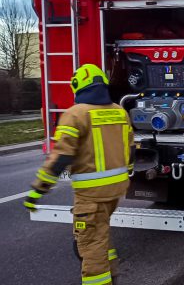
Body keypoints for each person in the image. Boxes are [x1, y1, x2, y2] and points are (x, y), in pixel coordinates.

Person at [24, 64, 134, 285]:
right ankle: (113, 278)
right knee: (101, 238)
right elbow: (130, 149)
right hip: (114, 192)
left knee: (91, 245)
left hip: (90, 196)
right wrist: (127, 173)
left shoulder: (75, 114)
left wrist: (37, 191)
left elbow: (61, 158)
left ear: (78, 86)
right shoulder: (119, 111)